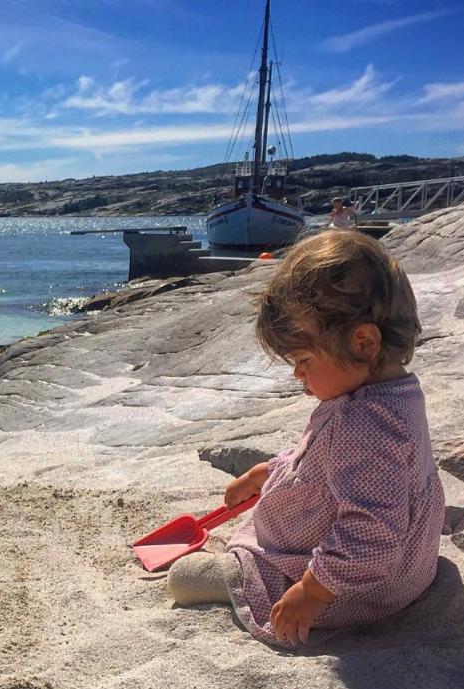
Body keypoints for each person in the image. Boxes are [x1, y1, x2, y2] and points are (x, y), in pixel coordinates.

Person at [165, 230, 444, 648]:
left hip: (354, 591)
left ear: (364, 342)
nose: (297, 373)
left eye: (304, 359)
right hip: (408, 571)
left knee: (181, 579)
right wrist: (268, 472)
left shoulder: (362, 426)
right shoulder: (395, 393)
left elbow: (370, 532)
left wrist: (312, 592)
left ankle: (245, 574)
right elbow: (321, 460)